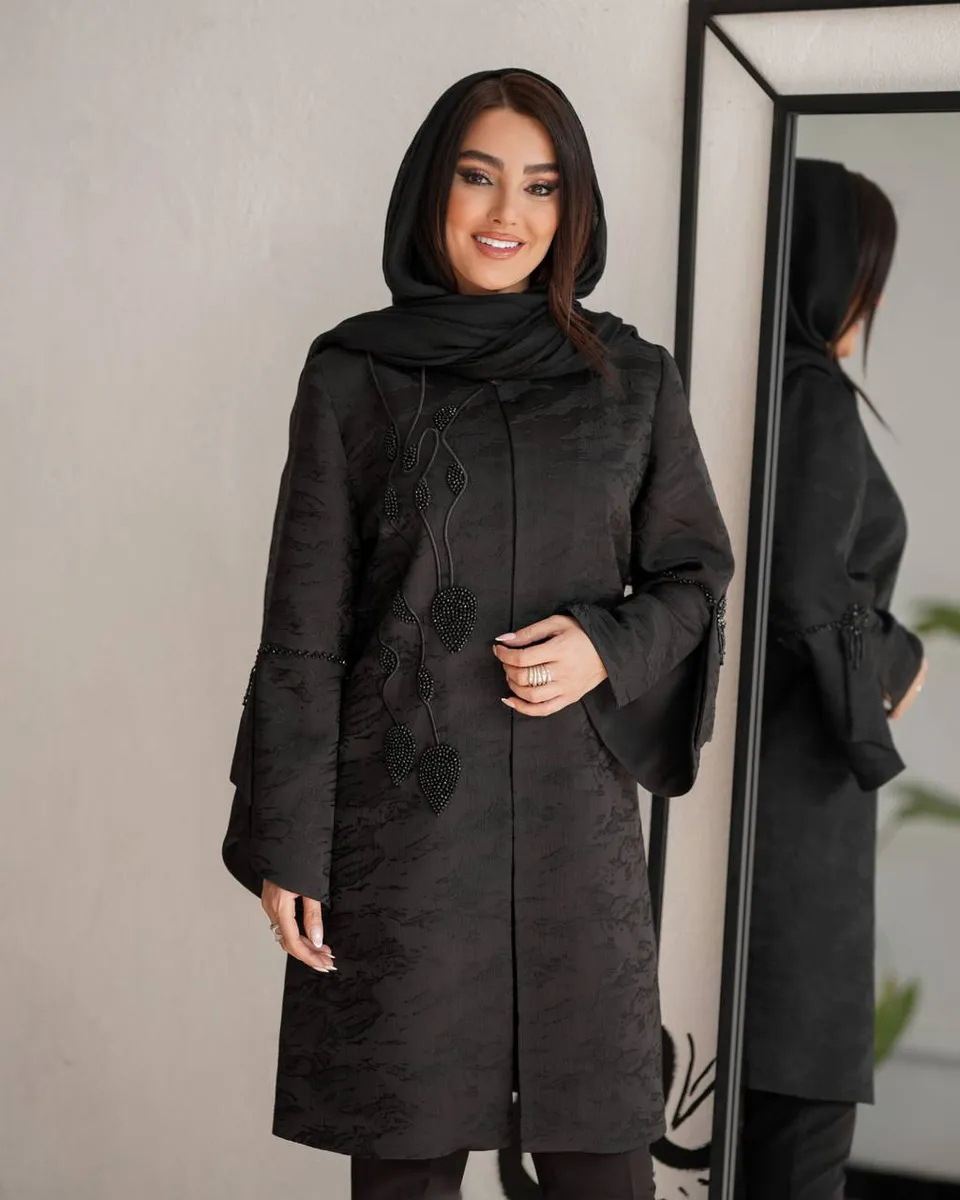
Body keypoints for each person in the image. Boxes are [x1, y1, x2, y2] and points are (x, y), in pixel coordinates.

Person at [222, 67, 733, 1200]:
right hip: (404, 841)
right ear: (432, 193)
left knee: (603, 1166)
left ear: (574, 208)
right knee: (405, 1164)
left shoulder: (632, 381)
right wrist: (290, 842)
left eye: (542, 187)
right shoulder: (354, 376)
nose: (509, 214)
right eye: (480, 178)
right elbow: (302, 629)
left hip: (573, 842)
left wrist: (605, 645)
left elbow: (695, 577)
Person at [741, 159, 926, 1199]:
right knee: (799, 1136)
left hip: (764, 782)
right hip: (800, 798)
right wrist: (893, 668)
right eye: (868, 274)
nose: (872, 303)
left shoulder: (742, 381)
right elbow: (805, 591)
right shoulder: (808, 391)